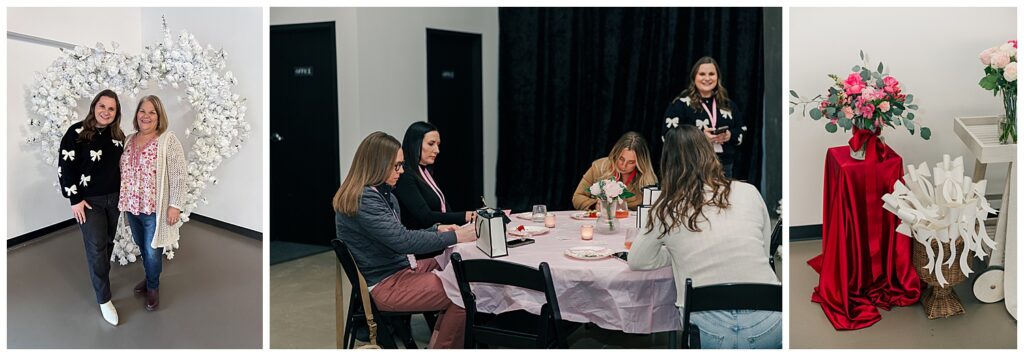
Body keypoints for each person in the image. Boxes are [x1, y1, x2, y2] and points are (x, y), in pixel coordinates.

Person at [628, 126, 780, 349]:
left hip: (707, 328)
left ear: (667, 164)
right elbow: (763, 250)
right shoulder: (749, 192)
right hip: (771, 318)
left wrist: (675, 253)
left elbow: (637, 260)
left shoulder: (666, 207)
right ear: (709, 154)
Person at [334, 131, 477, 349]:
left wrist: (436, 229)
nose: (401, 171)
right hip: (387, 283)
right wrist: (455, 236)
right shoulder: (366, 199)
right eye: (396, 166)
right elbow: (402, 241)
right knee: (464, 292)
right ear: (377, 165)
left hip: (400, 270)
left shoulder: (382, 194)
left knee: (461, 267)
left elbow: (398, 235)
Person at [58, 89, 126, 325]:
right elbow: (66, 167)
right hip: (89, 202)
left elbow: (121, 168)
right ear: (94, 106)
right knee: (97, 247)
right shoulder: (75, 133)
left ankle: (101, 279)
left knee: (107, 243)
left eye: (111, 108)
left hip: (114, 199)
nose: (106, 112)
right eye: (102, 106)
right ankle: (104, 298)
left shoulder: (118, 136)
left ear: (116, 113)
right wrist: (74, 199)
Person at [118, 95, 186, 312]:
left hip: (153, 209)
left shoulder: (167, 140)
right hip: (132, 206)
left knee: (152, 251)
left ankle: (153, 287)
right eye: (142, 111)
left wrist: (174, 205)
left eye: (151, 112)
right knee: (141, 245)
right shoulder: (128, 139)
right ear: (136, 114)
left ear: (159, 117)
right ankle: (149, 279)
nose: (146, 116)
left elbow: (178, 175)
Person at [662, 56, 746, 177]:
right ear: (694, 77)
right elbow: (668, 135)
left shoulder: (728, 105)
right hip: (690, 166)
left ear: (718, 77)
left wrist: (729, 135)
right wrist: (700, 136)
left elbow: (742, 130)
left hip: (723, 166)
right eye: (702, 74)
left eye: (711, 74)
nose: (707, 78)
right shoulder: (680, 104)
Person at [393, 121, 475, 230]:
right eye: (431, 144)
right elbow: (425, 217)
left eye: (438, 145)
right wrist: (468, 216)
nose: (437, 150)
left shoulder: (425, 172)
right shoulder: (405, 175)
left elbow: (445, 209)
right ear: (415, 144)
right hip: (421, 241)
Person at [572, 131, 657, 210]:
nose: (624, 165)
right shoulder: (599, 167)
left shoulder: (648, 180)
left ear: (640, 163)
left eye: (631, 162)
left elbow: (653, 209)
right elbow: (577, 197)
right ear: (615, 154)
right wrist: (595, 205)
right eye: (621, 159)